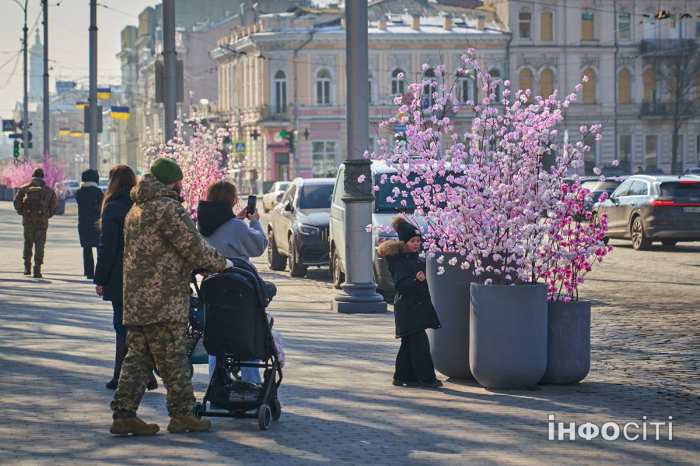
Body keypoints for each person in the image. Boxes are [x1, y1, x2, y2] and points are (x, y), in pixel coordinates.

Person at [109, 158, 233, 436]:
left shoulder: (136, 208)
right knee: (174, 358)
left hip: (138, 300)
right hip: (163, 300)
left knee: (138, 359)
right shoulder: (166, 208)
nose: (183, 185)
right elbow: (193, 245)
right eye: (180, 180)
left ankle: (124, 414)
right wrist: (222, 264)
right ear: (171, 181)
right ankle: (183, 415)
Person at [196, 180, 268, 383]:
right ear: (231, 200)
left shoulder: (199, 226)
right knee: (246, 329)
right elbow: (259, 245)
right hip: (240, 288)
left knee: (216, 333)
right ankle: (251, 380)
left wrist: (235, 221)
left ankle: (215, 380)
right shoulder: (236, 227)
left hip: (212, 290)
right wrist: (254, 221)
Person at [94, 165, 157, 391]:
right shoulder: (143, 205)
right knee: (139, 327)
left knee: (122, 327)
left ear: (112, 183)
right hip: (146, 276)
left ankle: (120, 375)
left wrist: (100, 279)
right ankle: (147, 376)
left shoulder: (113, 207)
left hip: (122, 277)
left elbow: (107, 247)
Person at [377, 215, 442, 389]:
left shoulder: (412, 258)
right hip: (409, 309)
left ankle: (403, 377)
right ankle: (428, 378)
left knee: (408, 344)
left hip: (414, 308)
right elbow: (400, 286)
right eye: (412, 241)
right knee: (420, 344)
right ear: (404, 242)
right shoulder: (400, 262)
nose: (416, 243)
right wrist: (415, 280)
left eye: (418, 240)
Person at [13, 168, 59, 278]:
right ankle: (37, 269)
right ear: (43, 177)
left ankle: (27, 268)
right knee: (40, 244)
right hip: (42, 221)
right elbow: (55, 206)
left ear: (32, 176)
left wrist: (23, 213)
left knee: (28, 242)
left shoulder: (24, 189)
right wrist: (47, 216)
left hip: (28, 220)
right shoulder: (48, 190)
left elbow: (16, 204)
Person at [75, 169, 104, 279]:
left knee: (86, 249)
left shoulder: (78, 192)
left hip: (83, 223)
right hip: (97, 223)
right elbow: (102, 206)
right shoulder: (98, 191)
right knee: (99, 248)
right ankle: (99, 271)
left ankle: (89, 272)